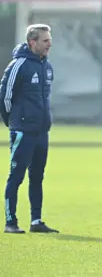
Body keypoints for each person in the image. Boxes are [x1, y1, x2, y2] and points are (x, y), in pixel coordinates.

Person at [1, 24, 59, 234]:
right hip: (23, 131)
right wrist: (15, 122)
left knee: (37, 176)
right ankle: (10, 222)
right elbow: (5, 97)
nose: (49, 44)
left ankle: (36, 221)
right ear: (32, 42)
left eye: (49, 40)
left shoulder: (47, 66)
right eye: (45, 40)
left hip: (41, 132)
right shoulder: (19, 65)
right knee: (16, 176)